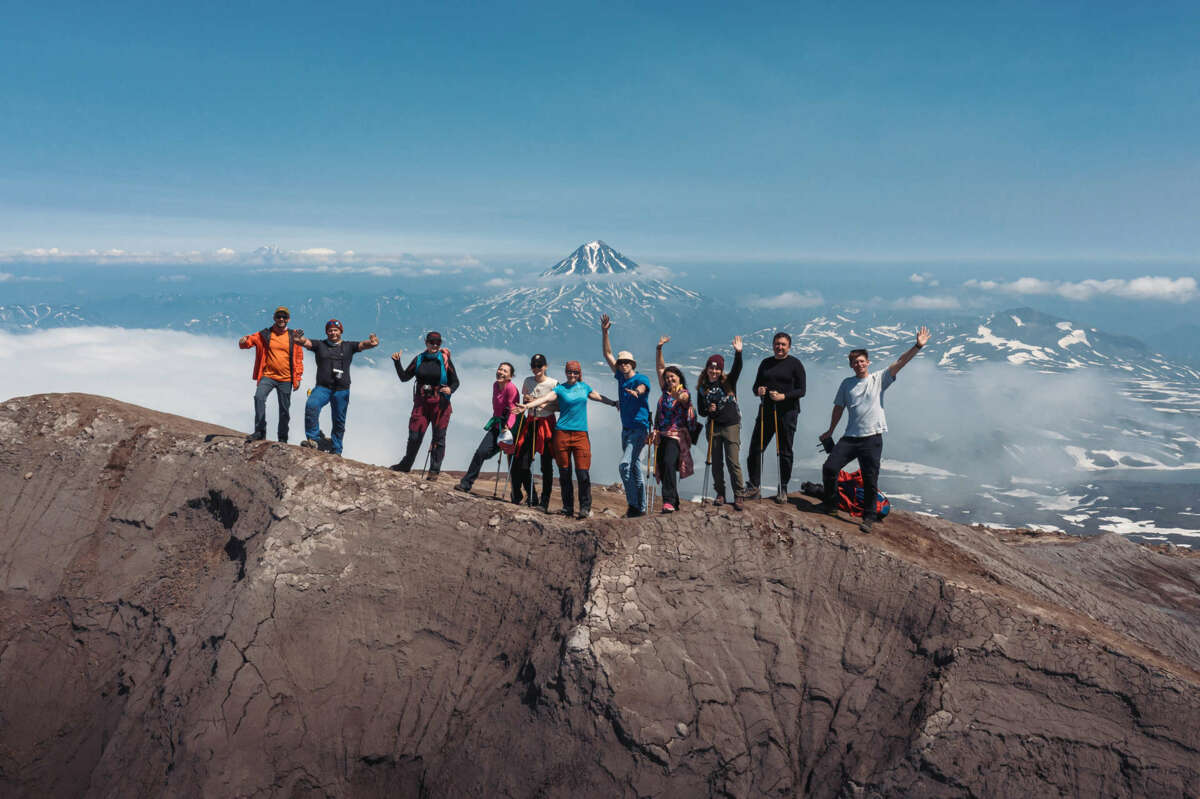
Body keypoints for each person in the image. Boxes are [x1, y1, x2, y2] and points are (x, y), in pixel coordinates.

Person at [819, 326, 931, 533]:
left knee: (870, 479)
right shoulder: (847, 384)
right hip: (850, 437)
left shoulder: (878, 379)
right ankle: (831, 504)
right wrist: (830, 431)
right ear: (851, 365)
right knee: (830, 468)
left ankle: (868, 516)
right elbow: (838, 408)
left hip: (872, 438)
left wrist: (917, 346)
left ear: (867, 363)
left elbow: (900, 362)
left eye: (862, 361)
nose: (859, 364)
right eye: (855, 362)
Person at [516, 360, 617, 519]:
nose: (572, 375)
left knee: (582, 472)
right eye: (569, 372)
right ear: (565, 372)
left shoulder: (584, 387)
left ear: (579, 373)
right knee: (565, 472)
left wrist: (614, 403)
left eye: (575, 372)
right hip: (561, 433)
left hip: (580, 435)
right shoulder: (560, 388)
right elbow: (545, 399)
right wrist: (527, 407)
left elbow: (598, 397)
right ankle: (567, 507)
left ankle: (585, 507)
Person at [296, 320, 378, 456]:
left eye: (336, 330)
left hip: (341, 390)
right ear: (326, 332)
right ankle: (314, 439)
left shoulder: (348, 346)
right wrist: (298, 339)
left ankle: (336, 449)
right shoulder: (320, 345)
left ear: (341, 331)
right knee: (311, 405)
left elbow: (363, 345)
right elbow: (305, 342)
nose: (333, 333)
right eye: (330, 330)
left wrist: (373, 342)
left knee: (339, 420)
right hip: (323, 387)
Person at [745, 331, 806, 503]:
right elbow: (755, 386)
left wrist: (783, 396)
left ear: (789, 346)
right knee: (756, 448)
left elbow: (802, 390)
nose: (779, 347)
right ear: (773, 345)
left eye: (783, 344)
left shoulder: (795, 364)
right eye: (777, 344)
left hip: (788, 413)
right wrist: (759, 391)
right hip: (766, 411)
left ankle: (783, 488)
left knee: (784, 451)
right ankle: (754, 486)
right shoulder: (766, 363)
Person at [600, 313, 652, 517]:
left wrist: (636, 392)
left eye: (626, 362)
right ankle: (641, 508)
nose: (622, 365)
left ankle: (634, 506)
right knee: (635, 468)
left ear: (633, 364)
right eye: (621, 362)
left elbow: (643, 387)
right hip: (626, 429)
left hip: (639, 429)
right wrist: (605, 332)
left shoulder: (641, 378)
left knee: (624, 465)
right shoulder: (620, 377)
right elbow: (608, 354)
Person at [390, 331, 459, 477]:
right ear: (426, 343)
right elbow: (404, 377)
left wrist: (450, 389)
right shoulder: (419, 359)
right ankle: (406, 465)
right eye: (431, 342)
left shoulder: (444, 360)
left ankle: (434, 471)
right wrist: (397, 362)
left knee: (438, 437)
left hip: (440, 403)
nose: (434, 345)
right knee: (414, 435)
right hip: (421, 403)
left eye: (437, 343)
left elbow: (455, 382)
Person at [238, 306, 305, 443]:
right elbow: (249, 342)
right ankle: (260, 432)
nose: (281, 319)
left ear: (288, 319)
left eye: (284, 317)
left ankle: (282, 438)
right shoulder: (265, 334)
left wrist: (297, 378)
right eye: (279, 316)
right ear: (274, 318)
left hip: (286, 378)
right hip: (267, 375)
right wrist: (243, 341)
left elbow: (298, 358)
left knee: (284, 410)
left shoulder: (294, 336)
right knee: (259, 398)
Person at [696, 336, 745, 510]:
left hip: (731, 424)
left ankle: (739, 494)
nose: (714, 372)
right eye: (711, 368)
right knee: (716, 462)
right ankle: (720, 494)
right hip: (714, 426)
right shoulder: (702, 387)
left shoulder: (728, 381)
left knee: (733, 462)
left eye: (717, 369)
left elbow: (737, 369)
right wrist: (708, 409)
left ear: (721, 371)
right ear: (707, 369)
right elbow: (701, 411)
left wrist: (738, 352)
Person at [456, 362, 520, 493]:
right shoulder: (495, 385)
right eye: (500, 369)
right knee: (480, 453)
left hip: (510, 428)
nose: (501, 372)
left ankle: (517, 495)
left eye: (505, 371)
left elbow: (513, 409)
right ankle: (466, 484)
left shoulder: (511, 388)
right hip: (497, 424)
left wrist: (508, 426)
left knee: (512, 461)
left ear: (510, 376)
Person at [651, 337, 697, 514]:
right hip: (662, 435)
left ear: (679, 378)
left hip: (675, 436)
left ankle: (668, 501)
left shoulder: (683, 392)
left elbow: (684, 399)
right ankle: (674, 502)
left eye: (673, 377)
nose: (669, 379)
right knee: (663, 466)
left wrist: (678, 396)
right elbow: (661, 368)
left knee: (669, 463)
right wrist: (659, 349)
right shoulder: (665, 391)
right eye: (668, 378)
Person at [510, 354, 558, 508]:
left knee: (546, 465)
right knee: (522, 462)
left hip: (547, 423)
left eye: (539, 365)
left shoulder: (554, 383)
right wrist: (527, 401)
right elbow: (525, 398)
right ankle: (532, 496)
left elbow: (559, 406)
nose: (536, 368)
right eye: (534, 365)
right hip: (531, 422)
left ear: (545, 366)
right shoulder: (528, 381)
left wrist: (542, 405)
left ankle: (544, 502)